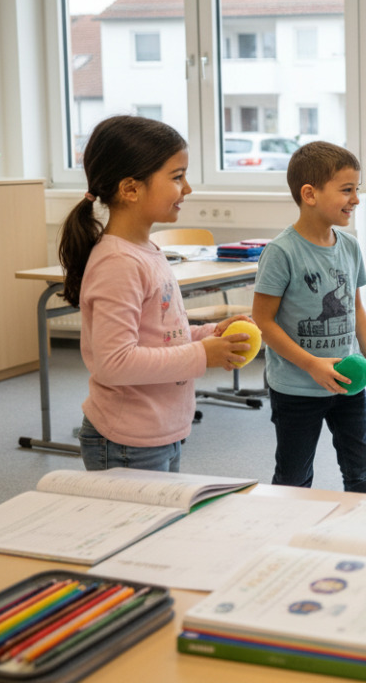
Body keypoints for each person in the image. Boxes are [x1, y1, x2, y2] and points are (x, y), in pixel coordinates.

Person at [58, 115, 253, 472]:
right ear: (130, 189)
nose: (188, 188)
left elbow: (161, 336)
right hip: (126, 441)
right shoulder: (118, 262)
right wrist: (201, 355)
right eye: (177, 177)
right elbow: (113, 363)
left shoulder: (146, 250)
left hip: (159, 432)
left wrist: (209, 336)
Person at [252, 141, 366, 492]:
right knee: (294, 477)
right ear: (309, 194)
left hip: (347, 384)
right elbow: (264, 321)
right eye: (346, 190)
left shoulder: (350, 246)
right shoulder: (281, 252)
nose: (355, 199)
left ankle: (359, 533)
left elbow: (356, 309)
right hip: (295, 388)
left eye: (356, 189)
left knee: (361, 469)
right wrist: (311, 364)